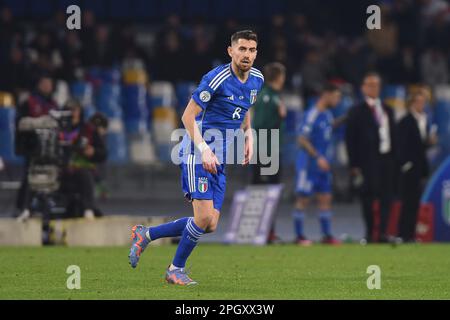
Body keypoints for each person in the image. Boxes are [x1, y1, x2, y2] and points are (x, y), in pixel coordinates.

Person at [128, 30, 264, 285]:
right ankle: (174, 270)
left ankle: (146, 234)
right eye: (242, 49)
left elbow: (245, 107)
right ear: (230, 51)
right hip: (197, 153)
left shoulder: (257, 78)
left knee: (210, 223)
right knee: (201, 219)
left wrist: (249, 134)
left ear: (256, 53)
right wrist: (204, 149)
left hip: (219, 159)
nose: (247, 54)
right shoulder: (216, 78)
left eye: (252, 50)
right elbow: (187, 116)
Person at [345, 72, 397, 243]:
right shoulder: (356, 111)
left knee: (386, 198)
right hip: (367, 161)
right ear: (363, 88)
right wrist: (354, 164)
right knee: (367, 197)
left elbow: (393, 135)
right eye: (370, 85)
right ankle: (369, 233)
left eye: (376, 85)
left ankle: (382, 233)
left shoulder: (388, 109)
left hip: (387, 159)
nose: (374, 88)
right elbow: (350, 139)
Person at [293, 84, 342, 246]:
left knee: (325, 198)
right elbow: (301, 139)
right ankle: (299, 236)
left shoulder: (327, 115)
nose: (338, 100)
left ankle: (326, 235)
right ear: (326, 95)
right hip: (309, 164)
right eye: (336, 96)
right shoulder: (311, 114)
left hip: (323, 165)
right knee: (303, 199)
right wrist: (318, 157)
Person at [251, 62, 286, 243]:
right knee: (264, 193)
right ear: (279, 77)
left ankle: (267, 232)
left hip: (270, 151)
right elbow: (259, 126)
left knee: (270, 193)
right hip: (266, 153)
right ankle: (263, 232)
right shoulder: (267, 97)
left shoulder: (273, 96)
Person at [15, 74, 57, 221]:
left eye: (49, 84)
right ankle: (23, 207)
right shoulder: (29, 102)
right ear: (39, 84)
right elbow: (20, 123)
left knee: (50, 176)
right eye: (45, 83)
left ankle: (48, 205)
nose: (47, 87)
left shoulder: (53, 104)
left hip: (50, 148)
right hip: (32, 146)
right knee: (30, 176)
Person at [397, 91, 436, 242]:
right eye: (418, 101)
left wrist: (429, 142)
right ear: (411, 103)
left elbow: (420, 146)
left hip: (420, 167)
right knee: (407, 202)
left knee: (415, 202)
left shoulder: (424, 120)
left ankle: (411, 234)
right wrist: (405, 164)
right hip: (409, 168)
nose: (421, 105)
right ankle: (403, 233)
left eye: (423, 102)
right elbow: (402, 145)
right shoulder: (405, 121)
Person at [64, 112, 108, 220]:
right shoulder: (83, 135)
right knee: (86, 176)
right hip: (73, 172)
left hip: (85, 175)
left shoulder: (96, 143)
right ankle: (88, 208)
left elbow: (101, 155)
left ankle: (90, 207)